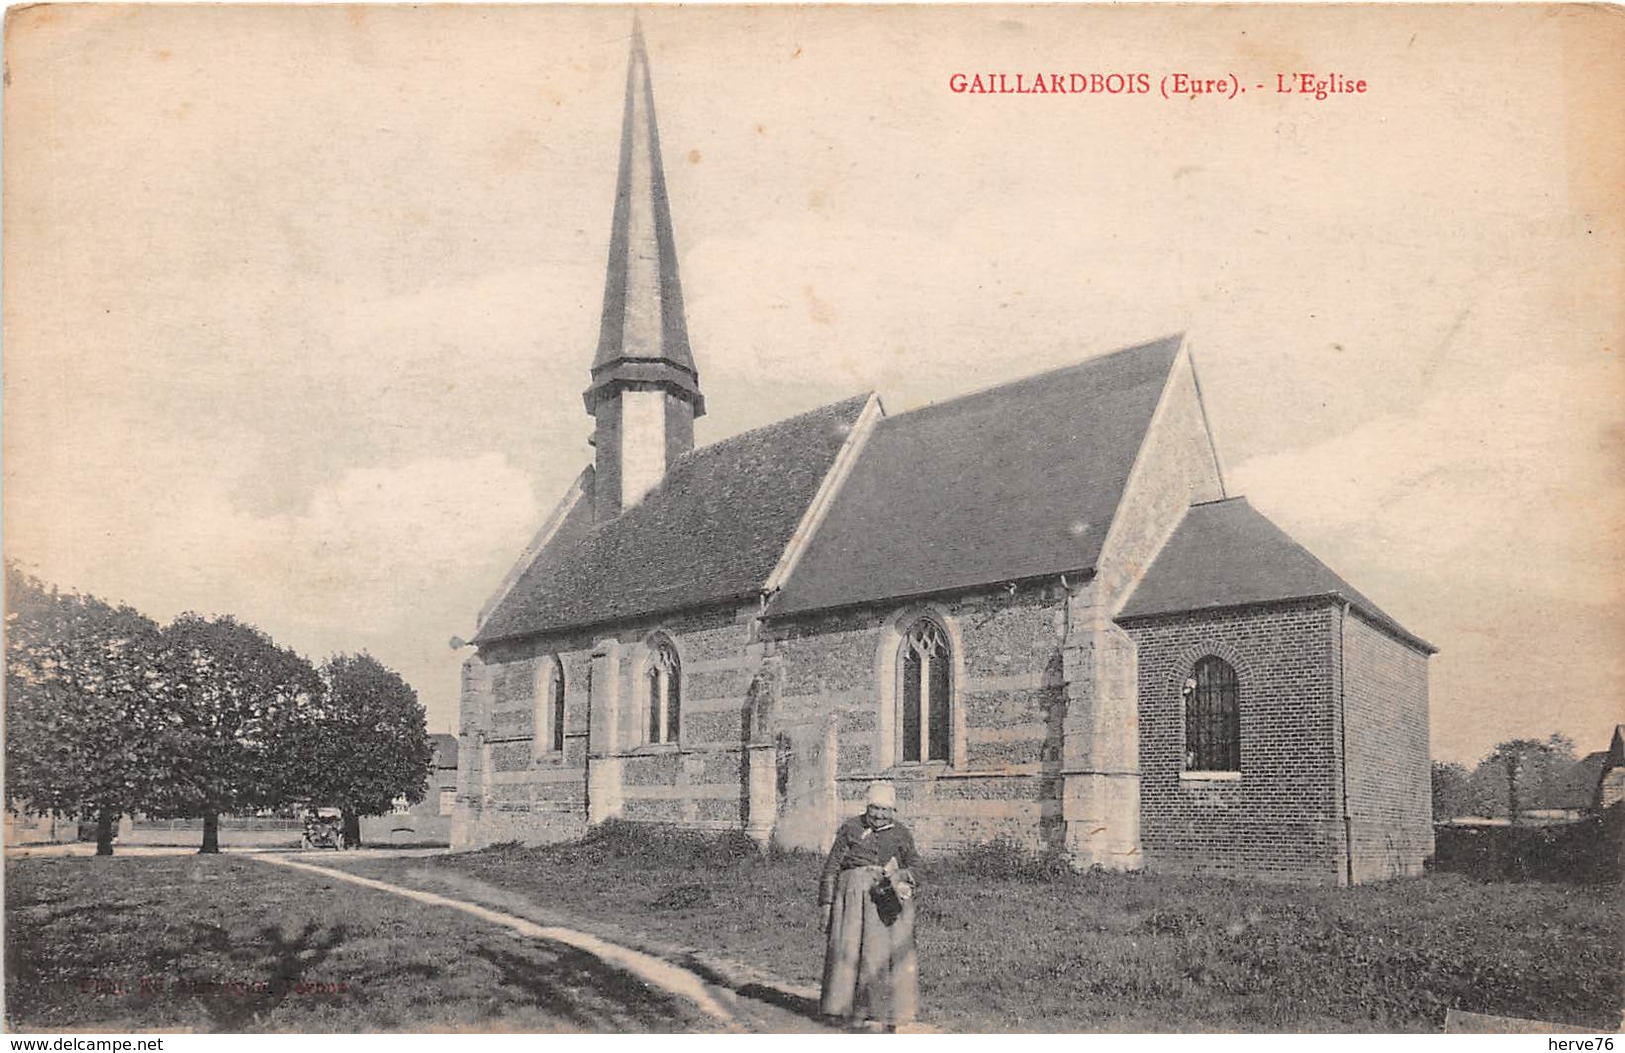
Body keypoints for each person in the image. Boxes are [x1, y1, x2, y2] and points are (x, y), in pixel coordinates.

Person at [818, 780, 922, 1031]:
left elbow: (916, 867)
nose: (878, 815)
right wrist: (826, 903)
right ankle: (841, 1008)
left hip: (885, 900)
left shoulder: (901, 834)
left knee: (880, 955)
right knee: (848, 950)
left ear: (893, 812)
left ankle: (882, 1012)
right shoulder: (851, 828)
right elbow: (832, 866)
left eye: (885, 810)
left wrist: (899, 876)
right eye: (874, 808)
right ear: (867, 807)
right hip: (850, 901)